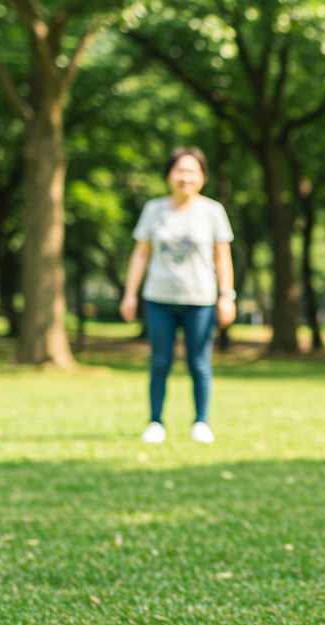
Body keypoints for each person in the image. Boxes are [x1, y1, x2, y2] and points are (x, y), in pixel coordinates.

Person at [119, 147, 236, 444]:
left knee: (199, 363)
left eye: (192, 171)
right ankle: (156, 422)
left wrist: (226, 295)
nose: (186, 177)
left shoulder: (213, 211)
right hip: (158, 298)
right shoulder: (153, 210)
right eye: (180, 170)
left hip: (200, 299)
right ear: (169, 175)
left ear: (203, 177)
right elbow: (141, 254)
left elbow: (222, 256)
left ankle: (201, 422)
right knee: (160, 361)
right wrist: (130, 294)